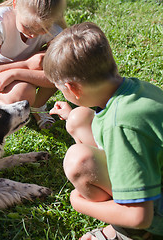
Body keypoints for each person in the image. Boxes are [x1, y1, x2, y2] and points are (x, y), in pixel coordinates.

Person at [43, 22, 163, 239]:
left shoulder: (121, 125)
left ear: (72, 88)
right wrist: (72, 115)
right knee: (79, 118)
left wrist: (78, 203)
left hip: (149, 211)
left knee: (78, 161)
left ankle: (131, 233)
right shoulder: (137, 90)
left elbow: (140, 216)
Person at [0, 0, 67, 129]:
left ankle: (37, 106)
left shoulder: (55, 28)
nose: (33, 34)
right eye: (27, 26)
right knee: (24, 93)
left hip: (21, 74)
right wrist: (26, 64)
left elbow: (61, 77)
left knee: (57, 66)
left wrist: (15, 73)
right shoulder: (0, 19)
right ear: (15, 5)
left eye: (43, 29)